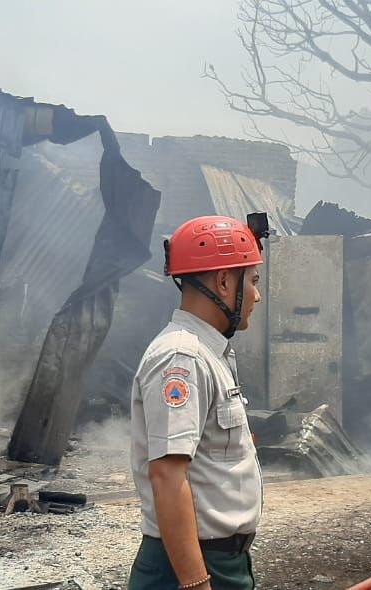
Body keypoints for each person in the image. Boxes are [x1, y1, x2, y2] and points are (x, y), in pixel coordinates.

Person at [128, 215, 266, 590]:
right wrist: (196, 583)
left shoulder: (208, 352)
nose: (257, 296)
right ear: (224, 281)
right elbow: (168, 476)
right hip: (188, 568)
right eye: (253, 281)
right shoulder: (182, 358)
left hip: (219, 562)